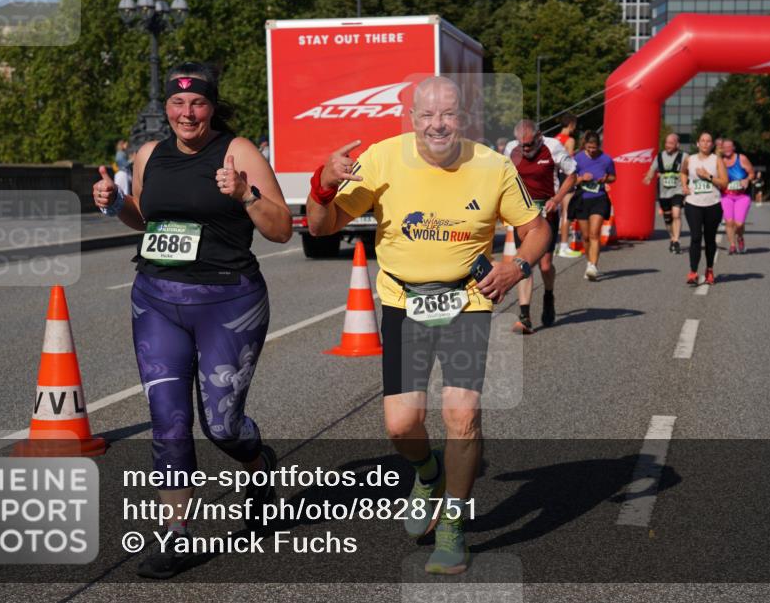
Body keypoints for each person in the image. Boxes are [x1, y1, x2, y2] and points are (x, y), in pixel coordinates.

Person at [307, 76, 550, 575]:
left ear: (462, 119)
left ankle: (453, 526)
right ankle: (426, 470)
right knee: (401, 424)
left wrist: (518, 266)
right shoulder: (382, 159)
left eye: (448, 114)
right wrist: (323, 183)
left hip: (468, 299)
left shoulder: (492, 166)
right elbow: (321, 226)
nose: (438, 124)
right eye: (428, 115)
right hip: (403, 300)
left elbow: (537, 228)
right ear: (412, 119)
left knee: (461, 416)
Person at [92, 62, 292, 579]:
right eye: (177, 104)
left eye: (197, 103)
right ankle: (176, 535)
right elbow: (144, 217)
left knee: (222, 425)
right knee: (169, 421)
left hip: (229, 301)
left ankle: (257, 464)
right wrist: (117, 203)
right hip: (155, 297)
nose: (186, 113)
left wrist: (244, 194)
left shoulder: (237, 151)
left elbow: (281, 230)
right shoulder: (148, 155)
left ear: (211, 105)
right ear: (167, 110)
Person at [507, 118, 577, 333]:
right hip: (523, 213)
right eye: (522, 144)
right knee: (524, 262)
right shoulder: (511, 149)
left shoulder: (553, 147)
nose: (525, 148)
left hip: (547, 211)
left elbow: (571, 176)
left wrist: (556, 199)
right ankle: (525, 315)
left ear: (539, 136)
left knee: (545, 265)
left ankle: (548, 294)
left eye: (529, 144)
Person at [680, 131, 728, 286]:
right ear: (697, 143)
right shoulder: (690, 159)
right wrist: (684, 185)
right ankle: (693, 272)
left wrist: (708, 176)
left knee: (709, 239)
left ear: (712, 144)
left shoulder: (717, 160)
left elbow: (724, 183)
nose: (706, 143)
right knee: (695, 237)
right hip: (693, 203)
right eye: (703, 140)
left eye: (709, 141)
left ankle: (709, 269)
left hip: (713, 204)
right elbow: (683, 172)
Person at [571, 131, 616, 281]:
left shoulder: (606, 159)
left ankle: (593, 266)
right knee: (585, 237)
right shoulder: (577, 158)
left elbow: (613, 177)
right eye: (589, 147)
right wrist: (582, 178)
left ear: (599, 146)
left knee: (594, 234)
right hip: (582, 199)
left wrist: (605, 178)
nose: (591, 150)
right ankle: (589, 263)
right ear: (585, 145)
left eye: (594, 148)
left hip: (599, 198)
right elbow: (570, 180)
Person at [643, 132, 686, 254]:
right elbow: (652, 169)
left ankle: (677, 240)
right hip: (663, 192)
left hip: (678, 190)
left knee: (676, 214)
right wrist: (649, 177)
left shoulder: (684, 156)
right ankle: (672, 237)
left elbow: (690, 170)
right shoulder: (659, 156)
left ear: (677, 144)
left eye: (671, 143)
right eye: (667, 143)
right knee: (668, 219)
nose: (668, 145)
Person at [719, 139, 755, 254]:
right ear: (722, 149)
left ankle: (740, 237)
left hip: (742, 196)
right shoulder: (719, 161)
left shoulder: (742, 158)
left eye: (729, 147)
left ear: (733, 148)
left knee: (739, 224)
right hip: (726, 196)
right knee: (729, 222)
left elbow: (752, 173)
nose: (727, 149)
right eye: (725, 147)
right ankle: (732, 245)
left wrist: (747, 179)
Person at [553, 114, 578, 257]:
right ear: (571, 125)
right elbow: (569, 160)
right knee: (566, 212)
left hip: (555, 175)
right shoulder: (570, 140)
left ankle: (555, 245)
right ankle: (563, 246)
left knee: (556, 210)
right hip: (565, 175)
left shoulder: (555, 139)